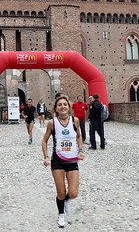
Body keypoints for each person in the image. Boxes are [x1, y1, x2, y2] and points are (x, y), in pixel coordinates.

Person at [41, 96, 85, 228]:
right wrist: (46, 157)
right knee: (60, 191)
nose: (63, 107)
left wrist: (81, 149)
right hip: (58, 162)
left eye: (65, 104)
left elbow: (79, 136)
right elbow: (44, 140)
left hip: (72, 161)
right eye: (59, 105)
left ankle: (67, 200)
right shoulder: (52, 123)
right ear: (56, 108)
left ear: (69, 107)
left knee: (73, 193)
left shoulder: (75, 121)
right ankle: (61, 215)